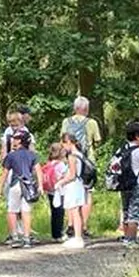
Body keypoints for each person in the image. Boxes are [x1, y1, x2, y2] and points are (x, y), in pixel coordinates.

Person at [62, 96, 102, 224]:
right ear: (87, 109)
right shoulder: (91, 123)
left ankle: (71, 224)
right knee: (87, 193)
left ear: (75, 108)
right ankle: (83, 225)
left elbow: (63, 139)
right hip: (87, 161)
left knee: (70, 191)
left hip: (70, 159)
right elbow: (97, 141)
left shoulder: (66, 122)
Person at [0, 130, 38, 247]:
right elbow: (38, 171)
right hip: (28, 185)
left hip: (15, 184)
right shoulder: (32, 155)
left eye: (15, 138)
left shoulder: (11, 155)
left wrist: (0, 187)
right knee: (26, 211)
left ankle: (15, 237)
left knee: (12, 210)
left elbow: (5, 172)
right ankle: (26, 237)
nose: (13, 140)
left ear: (20, 141)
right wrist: (40, 185)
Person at [117, 121, 139, 246]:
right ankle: (131, 240)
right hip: (138, 184)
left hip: (124, 184)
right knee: (135, 212)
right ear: (137, 136)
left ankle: (126, 236)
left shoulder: (122, 149)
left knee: (126, 210)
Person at [56, 131, 88, 248]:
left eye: (63, 144)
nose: (63, 147)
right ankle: (78, 236)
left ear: (68, 142)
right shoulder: (80, 154)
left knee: (74, 211)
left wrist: (61, 182)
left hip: (74, 185)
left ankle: (78, 238)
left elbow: (72, 174)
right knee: (77, 211)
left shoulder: (72, 156)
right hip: (79, 185)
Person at [41, 142, 66, 243]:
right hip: (59, 190)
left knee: (54, 212)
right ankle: (59, 234)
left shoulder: (49, 163)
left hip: (50, 190)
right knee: (60, 212)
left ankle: (54, 234)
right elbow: (63, 176)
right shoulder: (60, 164)